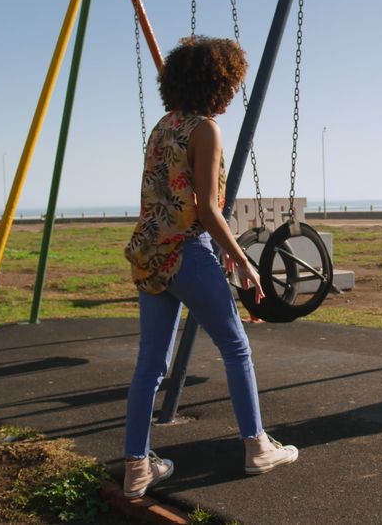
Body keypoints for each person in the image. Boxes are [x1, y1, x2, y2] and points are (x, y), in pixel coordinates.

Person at [122, 36, 299, 499]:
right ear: (219, 82)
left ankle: (137, 467)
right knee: (236, 348)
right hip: (187, 251)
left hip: (150, 252)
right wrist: (243, 261)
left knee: (150, 364)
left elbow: (169, 198)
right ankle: (257, 447)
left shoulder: (163, 127)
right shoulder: (205, 129)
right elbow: (205, 207)